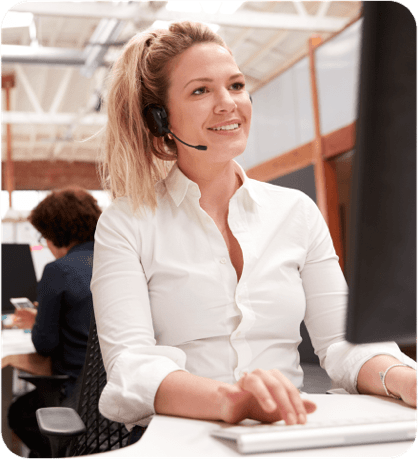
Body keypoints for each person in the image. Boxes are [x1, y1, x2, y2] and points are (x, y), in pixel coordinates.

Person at [91, 21, 416, 443]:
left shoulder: (296, 211)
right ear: (159, 119)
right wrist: (234, 400)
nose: (229, 103)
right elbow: (132, 367)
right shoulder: (126, 222)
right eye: (200, 91)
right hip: (181, 439)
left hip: (288, 433)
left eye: (237, 85)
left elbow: (341, 342)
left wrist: (401, 377)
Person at [8, 187, 102, 458]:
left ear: (55, 233)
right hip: (118, 396)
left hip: (77, 395)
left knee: (20, 413)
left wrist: (40, 322)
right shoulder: (117, 261)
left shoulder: (58, 271)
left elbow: (44, 343)